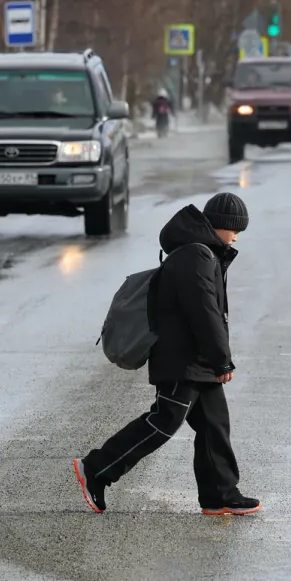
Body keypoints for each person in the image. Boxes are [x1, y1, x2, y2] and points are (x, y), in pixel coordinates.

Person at [73, 193, 259, 517]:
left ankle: (220, 495)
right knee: (163, 421)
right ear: (222, 225)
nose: (237, 236)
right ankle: (97, 469)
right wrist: (221, 359)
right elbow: (204, 313)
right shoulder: (196, 256)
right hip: (183, 359)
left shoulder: (203, 252)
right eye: (235, 229)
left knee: (215, 424)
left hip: (196, 359)